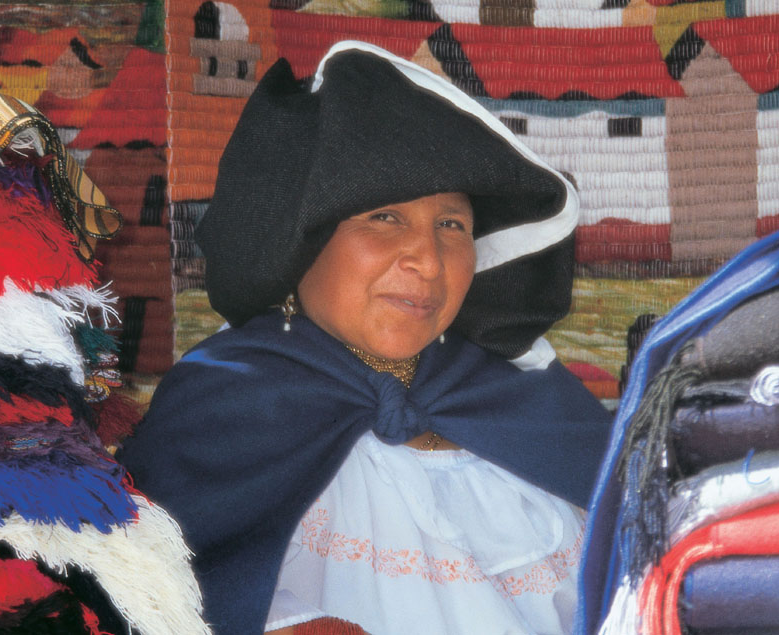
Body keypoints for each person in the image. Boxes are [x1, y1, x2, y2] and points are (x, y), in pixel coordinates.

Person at [118, 41, 612, 635]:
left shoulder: (526, 403)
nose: (428, 260)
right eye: (384, 217)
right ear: (299, 242)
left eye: (451, 224)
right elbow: (160, 594)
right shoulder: (220, 411)